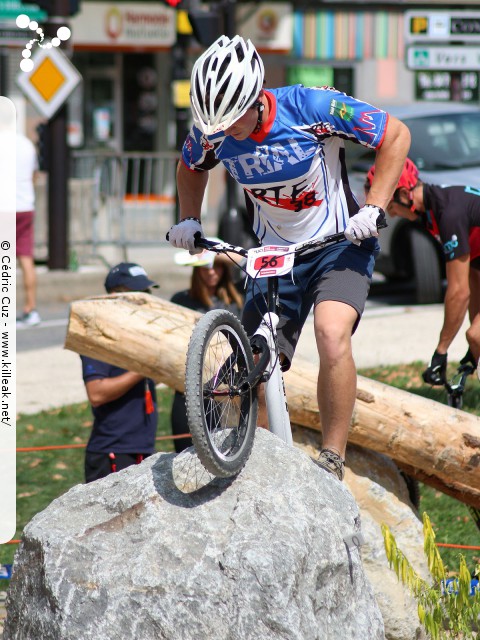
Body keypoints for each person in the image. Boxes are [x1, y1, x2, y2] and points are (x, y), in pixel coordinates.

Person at [168, 35, 410, 481]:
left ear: (256, 97)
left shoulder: (312, 108)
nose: (225, 133)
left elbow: (395, 134)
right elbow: (189, 166)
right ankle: (256, 464)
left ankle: (333, 457)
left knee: (331, 333)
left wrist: (374, 206)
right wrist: (189, 218)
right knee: (255, 361)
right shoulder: (215, 129)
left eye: (233, 121)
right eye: (216, 125)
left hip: (340, 242)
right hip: (273, 254)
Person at [365, 158, 480, 384]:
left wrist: (441, 351)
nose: (394, 214)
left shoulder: (448, 214)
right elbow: (474, 276)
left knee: (476, 336)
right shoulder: (435, 210)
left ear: (405, 194)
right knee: (476, 337)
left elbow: (458, 293)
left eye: (390, 206)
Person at [80, 262, 160, 482]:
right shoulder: (99, 336)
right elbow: (96, 393)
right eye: (138, 292)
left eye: (147, 292)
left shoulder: (138, 334)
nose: (145, 298)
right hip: (112, 452)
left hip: (142, 448)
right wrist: (143, 369)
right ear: (115, 295)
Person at [170, 242, 243, 453]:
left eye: (217, 265)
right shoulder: (181, 300)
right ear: (196, 269)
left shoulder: (239, 299)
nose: (211, 271)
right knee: (186, 454)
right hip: (189, 390)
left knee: (227, 454)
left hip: (229, 392)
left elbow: (251, 267)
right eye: (205, 266)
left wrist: (218, 254)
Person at [16, 132, 41, 328]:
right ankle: (31, 309)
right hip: (25, 207)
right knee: (26, 259)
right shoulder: (27, 144)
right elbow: (34, 175)